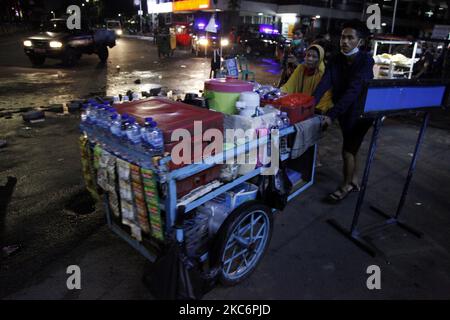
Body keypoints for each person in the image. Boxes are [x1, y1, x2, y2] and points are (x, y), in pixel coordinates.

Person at [313, 19, 374, 203]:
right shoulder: (336, 59)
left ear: (360, 42)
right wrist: (308, 104)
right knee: (352, 147)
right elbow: (325, 83)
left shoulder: (365, 61)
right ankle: (354, 179)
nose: (344, 41)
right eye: (342, 37)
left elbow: (353, 92)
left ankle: (346, 186)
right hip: (345, 110)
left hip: (362, 112)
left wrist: (331, 114)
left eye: (350, 38)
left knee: (348, 150)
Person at [281, 44, 333, 115]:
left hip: (315, 110)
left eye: (314, 57)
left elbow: (324, 99)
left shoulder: (323, 74)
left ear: (320, 59)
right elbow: (289, 86)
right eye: (308, 55)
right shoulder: (301, 68)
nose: (310, 58)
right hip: (298, 106)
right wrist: (279, 93)